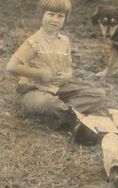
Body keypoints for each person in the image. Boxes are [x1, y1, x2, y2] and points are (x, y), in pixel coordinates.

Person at [6, 0, 106, 134]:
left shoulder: (64, 41)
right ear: (41, 14)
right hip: (34, 90)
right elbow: (11, 67)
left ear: (65, 19)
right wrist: (39, 73)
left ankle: (59, 114)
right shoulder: (34, 42)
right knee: (46, 103)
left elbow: (68, 66)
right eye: (51, 14)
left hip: (59, 88)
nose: (55, 20)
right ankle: (68, 116)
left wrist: (67, 75)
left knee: (99, 94)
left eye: (60, 16)